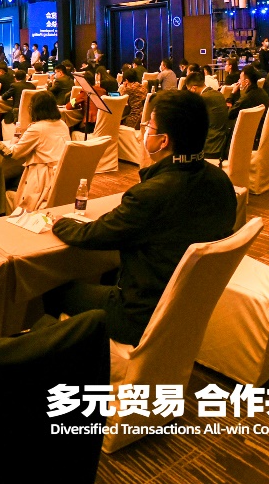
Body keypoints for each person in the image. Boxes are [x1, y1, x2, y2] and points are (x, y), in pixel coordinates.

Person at [46, 89, 237, 345]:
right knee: (109, 273)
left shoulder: (151, 195)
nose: (145, 129)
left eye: (149, 126)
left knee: (53, 291)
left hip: (138, 315)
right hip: (183, 305)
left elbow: (94, 235)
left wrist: (60, 222)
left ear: (163, 141)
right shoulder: (221, 182)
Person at [4, 91, 70, 210]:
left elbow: (15, 153)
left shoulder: (37, 129)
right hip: (61, 179)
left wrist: (12, 143)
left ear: (35, 109)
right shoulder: (62, 124)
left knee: (7, 186)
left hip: (41, 181)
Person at [182, 71, 230, 160]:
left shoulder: (202, 99)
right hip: (222, 143)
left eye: (189, 90)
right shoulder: (218, 94)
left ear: (193, 88)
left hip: (209, 147)